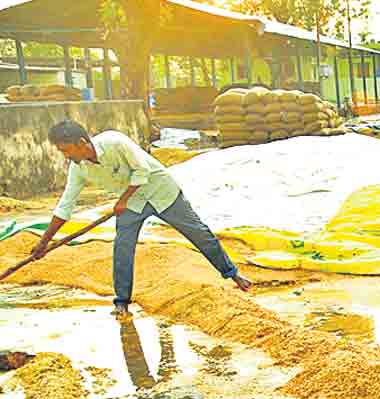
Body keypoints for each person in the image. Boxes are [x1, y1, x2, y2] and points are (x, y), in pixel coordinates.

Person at [31, 120, 251, 319]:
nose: (65, 156)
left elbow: (142, 170)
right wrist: (44, 242)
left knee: (199, 233)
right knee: (122, 248)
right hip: (132, 205)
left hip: (161, 191)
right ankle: (122, 302)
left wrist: (123, 200)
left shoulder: (115, 142)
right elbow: (65, 206)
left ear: (81, 142)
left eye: (66, 150)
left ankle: (233, 274)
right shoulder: (78, 169)